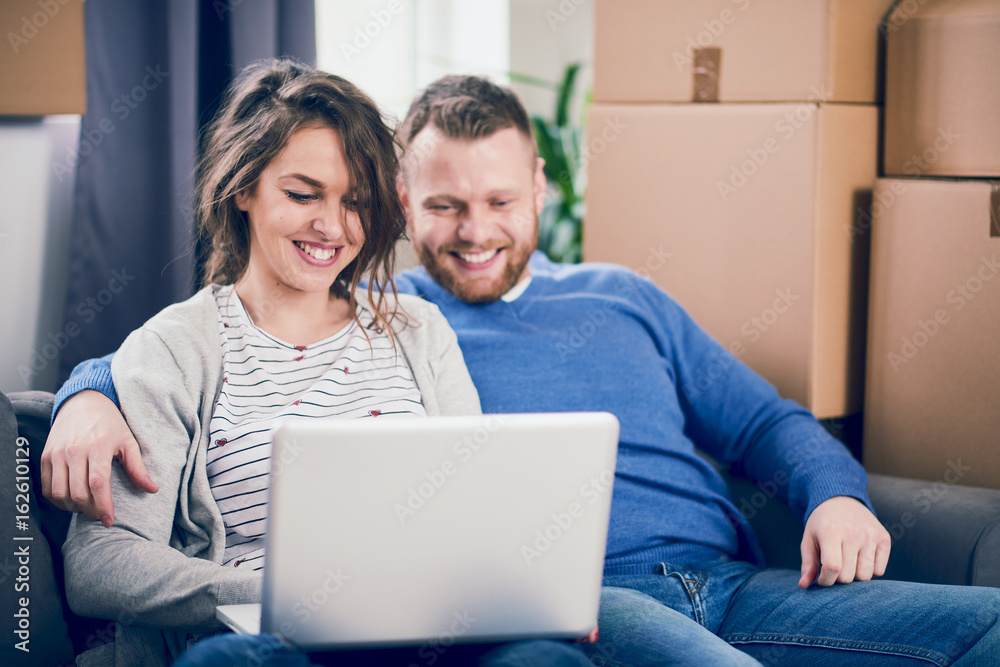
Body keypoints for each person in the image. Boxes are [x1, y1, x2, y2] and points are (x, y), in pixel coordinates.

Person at [46, 75, 999, 665]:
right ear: (407, 209)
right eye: (445, 204)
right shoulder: (401, 322)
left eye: (500, 199)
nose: (475, 230)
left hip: (725, 585)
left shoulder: (606, 297)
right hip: (578, 604)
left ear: (539, 189)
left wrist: (836, 494)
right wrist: (86, 391)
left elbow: (763, 423)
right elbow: (184, 357)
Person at [55, 60, 591, 667]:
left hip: (427, 639)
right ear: (243, 187)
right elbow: (100, 564)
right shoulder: (176, 349)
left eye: (355, 202)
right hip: (269, 643)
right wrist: (293, 598)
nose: (331, 226)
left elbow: (477, 521)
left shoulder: (420, 332)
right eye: (302, 194)